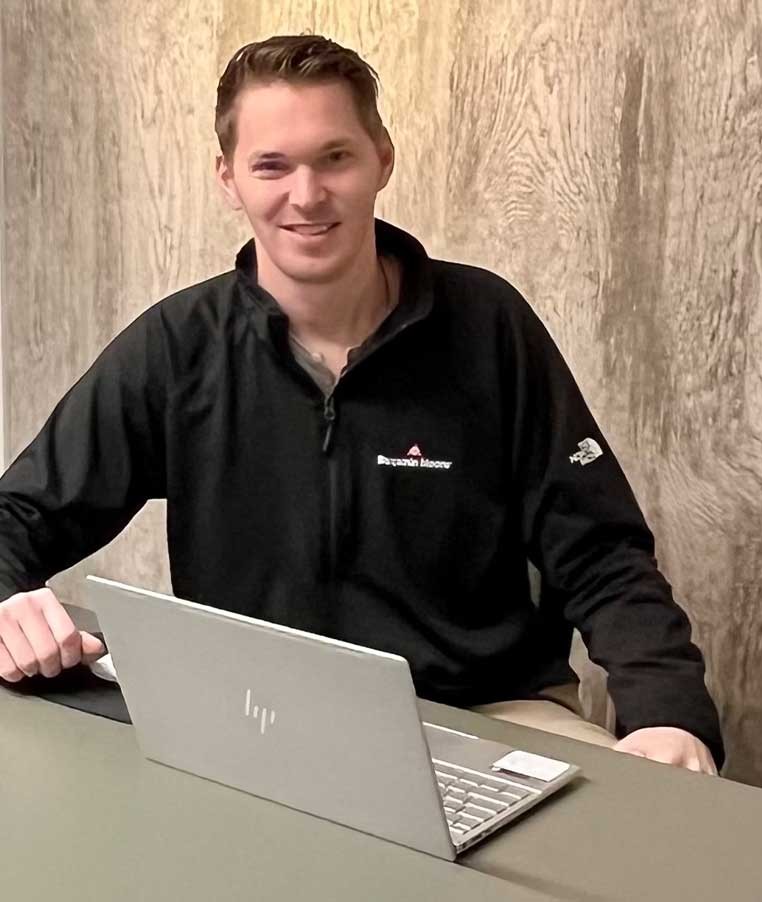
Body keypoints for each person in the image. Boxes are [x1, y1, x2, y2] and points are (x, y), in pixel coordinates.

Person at [0, 35, 722, 774]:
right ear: (228, 179)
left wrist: (669, 713)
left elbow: (600, 551)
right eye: (271, 166)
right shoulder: (178, 347)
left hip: (486, 715)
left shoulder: (489, 326)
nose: (306, 195)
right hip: (258, 718)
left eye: (334, 158)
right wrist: (7, 607)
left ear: (382, 157)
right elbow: (18, 517)